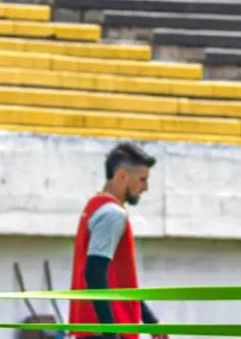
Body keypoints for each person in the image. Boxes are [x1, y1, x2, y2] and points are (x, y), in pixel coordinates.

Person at [69, 142, 167, 339]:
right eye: (142, 179)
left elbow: (119, 286)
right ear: (122, 175)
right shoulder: (112, 214)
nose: (145, 188)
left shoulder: (95, 206)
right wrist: (109, 331)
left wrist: (150, 322)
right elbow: (95, 272)